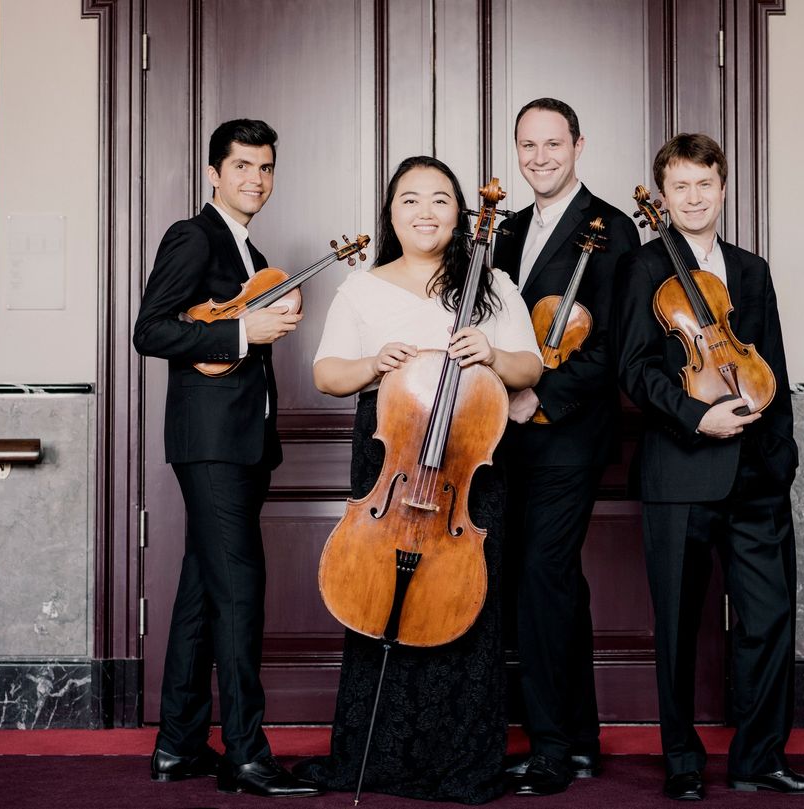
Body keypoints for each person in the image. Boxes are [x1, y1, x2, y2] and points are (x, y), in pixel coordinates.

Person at [295, 155, 542, 804]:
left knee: (466, 606)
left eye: (439, 199)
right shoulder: (363, 287)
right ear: (391, 212)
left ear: (461, 213)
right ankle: (373, 758)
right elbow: (326, 374)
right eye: (410, 199)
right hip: (391, 465)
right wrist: (373, 361)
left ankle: (460, 763)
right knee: (379, 599)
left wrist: (490, 350)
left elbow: (530, 366)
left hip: (469, 468)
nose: (425, 211)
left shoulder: (489, 285)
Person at [612, 133, 804, 800]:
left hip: (757, 477)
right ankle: (682, 760)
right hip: (679, 470)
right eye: (679, 186)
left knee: (768, 619)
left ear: (723, 188)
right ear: (665, 194)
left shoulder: (751, 269)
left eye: (704, 184)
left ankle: (759, 757)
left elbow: (774, 367)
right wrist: (693, 414)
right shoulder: (643, 268)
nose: (692, 197)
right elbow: (634, 370)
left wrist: (783, 456)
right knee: (678, 627)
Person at [133, 119, 320, 798]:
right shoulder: (194, 235)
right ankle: (245, 752)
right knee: (240, 588)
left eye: (266, 167)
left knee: (201, 589)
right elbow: (148, 329)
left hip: (241, 443)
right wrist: (245, 329)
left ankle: (179, 744)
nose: (255, 179)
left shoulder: (250, 250)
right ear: (214, 172)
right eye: (242, 166)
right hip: (210, 444)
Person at [493, 97, 639, 796]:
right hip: (502, 436)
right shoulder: (507, 228)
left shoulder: (614, 230)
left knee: (541, 577)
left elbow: (613, 346)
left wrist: (541, 397)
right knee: (550, 584)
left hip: (568, 436)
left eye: (553, 143)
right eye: (528, 144)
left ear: (578, 144)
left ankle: (550, 746)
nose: (540, 156)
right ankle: (580, 738)